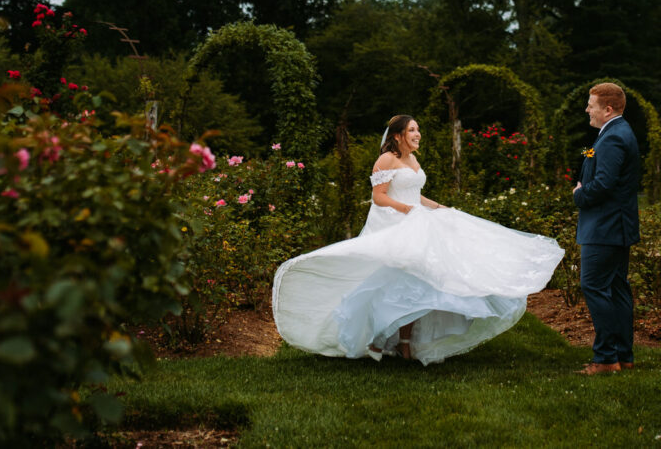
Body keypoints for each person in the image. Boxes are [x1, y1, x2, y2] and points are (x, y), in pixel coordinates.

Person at [272, 114, 564, 365]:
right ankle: (379, 338)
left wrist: (437, 207)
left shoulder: (412, 158)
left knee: (419, 284)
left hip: (417, 222)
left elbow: (415, 193)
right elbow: (379, 196)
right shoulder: (387, 158)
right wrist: (409, 211)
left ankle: (404, 343)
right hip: (394, 226)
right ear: (398, 135)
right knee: (396, 282)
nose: (417, 134)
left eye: (417, 129)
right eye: (412, 130)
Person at [572, 83, 640, 375]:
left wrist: (579, 194)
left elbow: (603, 185)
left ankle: (605, 359)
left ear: (607, 109)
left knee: (595, 287)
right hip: (615, 226)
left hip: (605, 226)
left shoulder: (613, 138)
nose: (587, 109)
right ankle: (623, 356)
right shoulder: (612, 134)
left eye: (591, 104)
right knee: (616, 289)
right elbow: (593, 164)